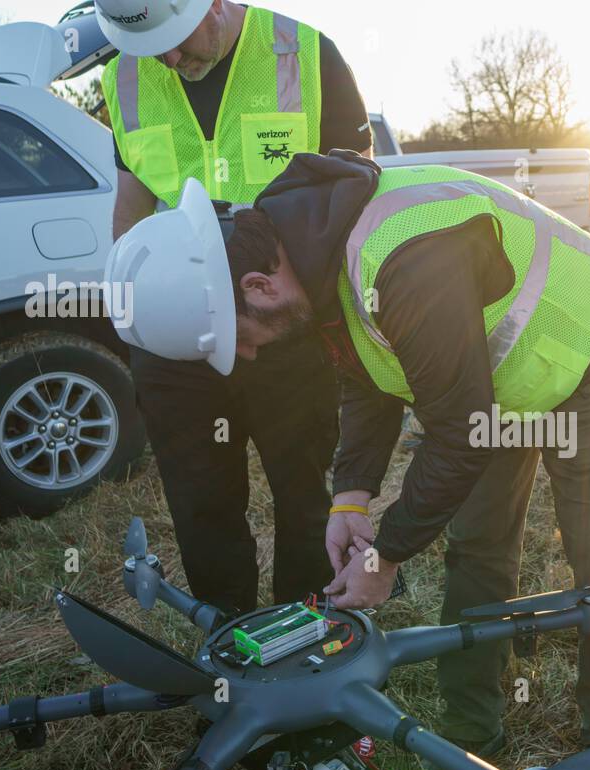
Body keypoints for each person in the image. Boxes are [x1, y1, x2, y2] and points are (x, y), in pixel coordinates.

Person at [106, 153, 590, 770]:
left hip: (575, 340)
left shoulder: (405, 261)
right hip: (480, 386)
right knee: (476, 548)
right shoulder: (307, 251)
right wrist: (350, 500)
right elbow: (370, 373)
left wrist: (385, 556)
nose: (247, 354)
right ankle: (472, 735)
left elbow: (459, 436)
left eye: (238, 337)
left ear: (256, 286)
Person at [94, 0, 371, 615]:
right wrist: (132, 311)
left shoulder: (305, 53)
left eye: (176, 38)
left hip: (283, 327)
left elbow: (355, 188)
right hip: (178, 334)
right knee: (200, 502)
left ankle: (307, 639)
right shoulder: (124, 76)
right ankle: (229, 652)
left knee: (305, 498)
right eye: (148, 46)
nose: (167, 58)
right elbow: (132, 198)